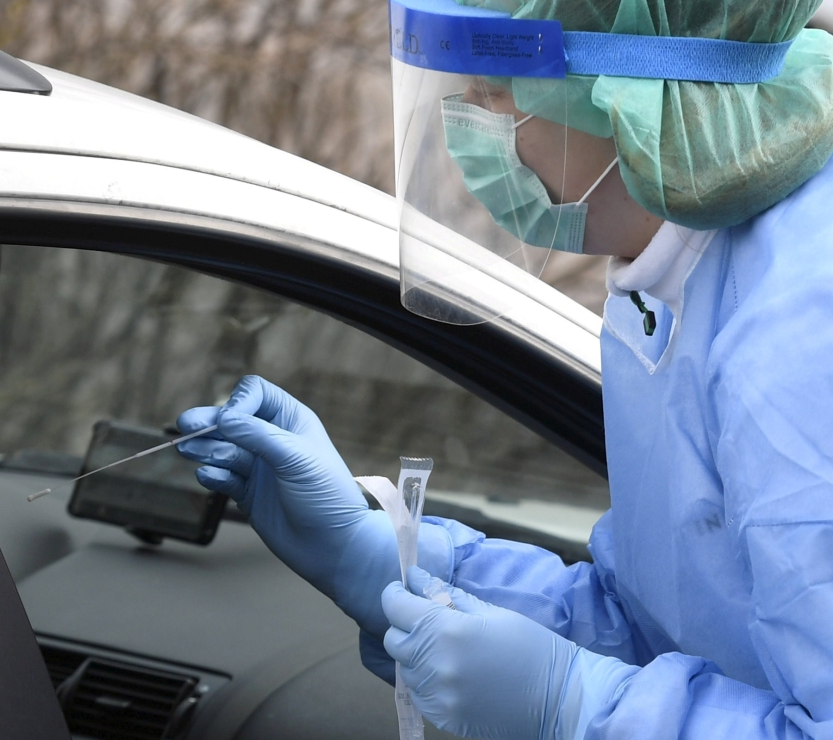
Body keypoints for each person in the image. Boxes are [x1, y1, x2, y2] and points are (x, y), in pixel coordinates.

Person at [177, 1, 833, 737]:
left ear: (633, 87)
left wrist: (573, 708)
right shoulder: (675, 269)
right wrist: (395, 562)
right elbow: (666, 627)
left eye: (494, 86)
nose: (469, 115)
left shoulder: (799, 337)